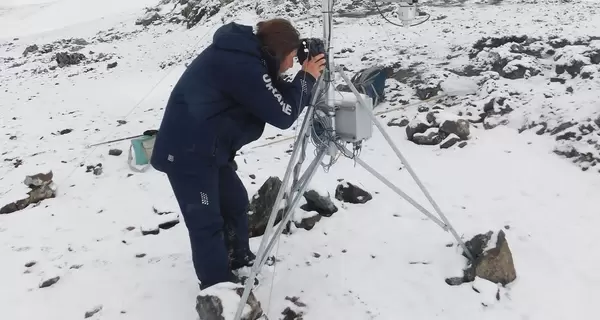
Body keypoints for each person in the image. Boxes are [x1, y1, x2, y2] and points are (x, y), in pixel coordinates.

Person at [149, 18, 326, 290]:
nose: (291, 65)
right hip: (187, 155)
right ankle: (218, 288)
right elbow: (282, 113)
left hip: (208, 149)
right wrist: (307, 78)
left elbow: (273, 94)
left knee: (234, 202)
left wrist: (304, 76)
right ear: (276, 51)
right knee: (205, 222)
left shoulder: (247, 56)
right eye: (290, 58)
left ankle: (237, 258)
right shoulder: (242, 65)